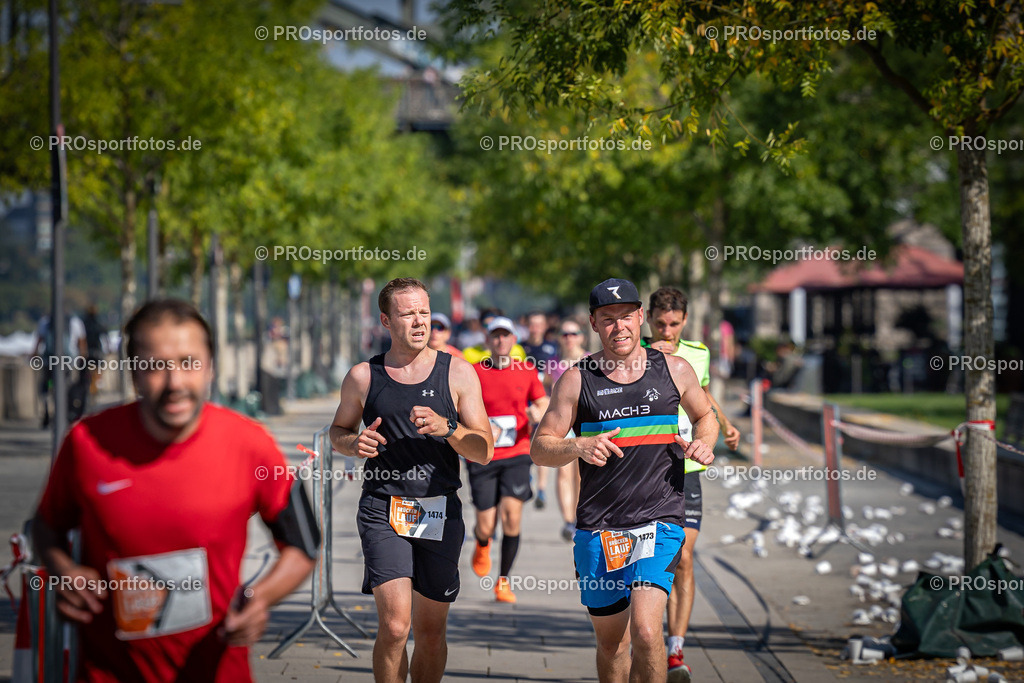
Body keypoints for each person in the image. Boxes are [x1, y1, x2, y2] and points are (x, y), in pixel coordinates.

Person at [31, 299, 318, 682]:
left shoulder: (252, 445)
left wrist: (259, 598)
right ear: (133, 372)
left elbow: (305, 543)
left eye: (189, 363)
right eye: (155, 366)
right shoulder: (86, 442)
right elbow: (45, 526)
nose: (175, 383)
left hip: (216, 672)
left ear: (210, 366)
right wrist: (64, 571)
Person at [531, 278, 718, 683]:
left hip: (660, 519)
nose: (619, 327)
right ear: (594, 324)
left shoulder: (674, 369)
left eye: (626, 317)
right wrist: (577, 446)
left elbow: (706, 415)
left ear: (640, 317)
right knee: (613, 644)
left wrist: (704, 443)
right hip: (600, 527)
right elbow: (540, 448)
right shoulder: (577, 379)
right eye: (608, 319)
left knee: (647, 632)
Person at [329, 277, 493, 683]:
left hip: (439, 510)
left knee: (431, 633)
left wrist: (447, 428)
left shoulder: (458, 373)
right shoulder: (363, 376)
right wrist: (354, 443)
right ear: (386, 320)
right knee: (396, 625)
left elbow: (484, 449)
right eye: (408, 314)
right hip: (382, 508)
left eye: (424, 312)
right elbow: (338, 432)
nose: (420, 322)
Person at [643, 286, 740, 682]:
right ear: (648, 319)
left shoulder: (698, 353)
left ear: (685, 321)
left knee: (683, 556)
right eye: (660, 324)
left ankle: (675, 649)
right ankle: (645, 639)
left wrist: (726, 424)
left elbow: (702, 396)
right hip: (646, 468)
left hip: (686, 469)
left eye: (674, 324)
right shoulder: (634, 353)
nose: (666, 332)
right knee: (647, 557)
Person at [468, 316, 548, 603]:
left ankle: (503, 581)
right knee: (486, 524)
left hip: (517, 452)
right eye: (495, 335)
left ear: (514, 340)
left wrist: (538, 412)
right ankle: (482, 542)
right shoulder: (474, 372)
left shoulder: (526, 370)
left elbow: (542, 401)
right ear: (487, 340)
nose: (501, 340)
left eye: (506, 335)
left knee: (512, 517)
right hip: (483, 455)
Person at [549, 318, 586, 542]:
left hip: (584, 422)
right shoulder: (552, 364)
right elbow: (545, 389)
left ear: (582, 337)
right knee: (563, 471)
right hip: (563, 423)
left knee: (580, 473)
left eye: (573, 334)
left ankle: (579, 517)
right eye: (565, 334)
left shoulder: (591, 360)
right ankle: (568, 521)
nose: (569, 338)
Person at [520, 311, 559, 510]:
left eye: (539, 324)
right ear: (527, 326)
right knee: (526, 439)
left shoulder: (552, 348)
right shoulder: (520, 348)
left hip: (544, 400)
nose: (535, 328)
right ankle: (526, 473)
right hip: (523, 401)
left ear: (544, 327)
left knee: (542, 439)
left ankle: (541, 488)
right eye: (532, 324)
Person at [33, 311, 87, 427]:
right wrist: (82, 359)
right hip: (68, 362)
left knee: (47, 385)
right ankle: (67, 413)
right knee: (68, 387)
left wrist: (34, 356)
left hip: (49, 362)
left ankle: (47, 408)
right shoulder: (75, 322)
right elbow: (81, 344)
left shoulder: (45, 322)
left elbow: (38, 342)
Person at [462, 309, 527, 364]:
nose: (489, 328)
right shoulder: (468, 353)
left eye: (495, 325)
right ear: (480, 327)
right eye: (486, 325)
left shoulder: (518, 351)